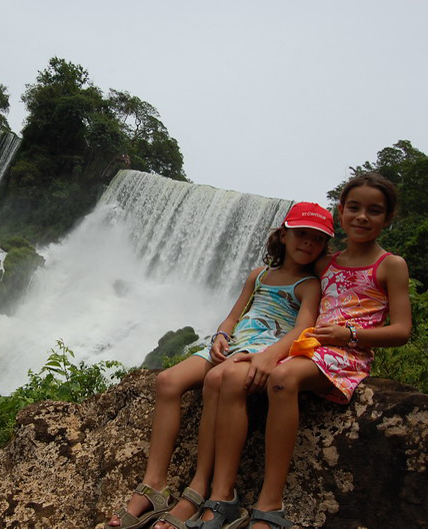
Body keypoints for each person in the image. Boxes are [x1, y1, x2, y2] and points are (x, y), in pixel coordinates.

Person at [175, 172, 412, 529]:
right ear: (342, 212)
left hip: (346, 352)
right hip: (308, 345)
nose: (362, 217)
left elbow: (402, 330)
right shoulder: (325, 263)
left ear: (388, 218)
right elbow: (289, 287)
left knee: (282, 378)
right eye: (354, 208)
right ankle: (221, 495)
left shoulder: (391, 265)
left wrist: (349, 335)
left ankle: (270, 504)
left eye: (374, 211)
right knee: (233, 376)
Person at [108, 202, 335, 529]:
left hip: (262, 352)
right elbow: (232, 316)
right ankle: (155, 482)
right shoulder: (259, 276)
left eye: (317, 239)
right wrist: (220, 335)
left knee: (219, 378)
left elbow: (303, 330)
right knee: (168, 381)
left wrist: (268, 357)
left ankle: (200, 490)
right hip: (234, 345)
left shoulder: (308, 285)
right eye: (302, 234)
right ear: (283, 235)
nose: (308, 243)